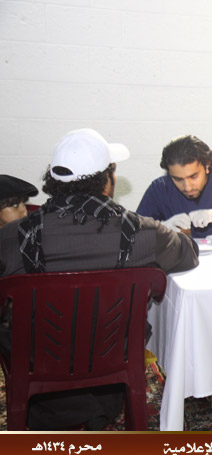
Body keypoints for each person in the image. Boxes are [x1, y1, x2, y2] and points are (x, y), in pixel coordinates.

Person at [0, 128, 200, 430]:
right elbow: (189, 253)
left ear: (54, 181)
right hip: (113, 356)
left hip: (37, 361)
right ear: (108, 179)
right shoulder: (144, 233)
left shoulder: (11, 237)